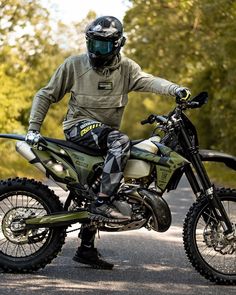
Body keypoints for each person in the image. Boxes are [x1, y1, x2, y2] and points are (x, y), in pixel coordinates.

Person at [26, 16, 191, 270]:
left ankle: (86, 248)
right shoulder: (74, 65)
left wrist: (175, 89)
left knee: (102, 177)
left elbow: (149, 80)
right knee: (120, 141)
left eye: (102, 46)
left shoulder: (127, 69)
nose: (96, 51)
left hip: (104, 134)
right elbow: (45, 94)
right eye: (92, 44)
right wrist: (33, 128)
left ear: (117, 44)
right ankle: (103, 204)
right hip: (78, 127)